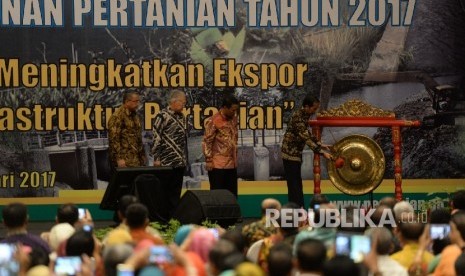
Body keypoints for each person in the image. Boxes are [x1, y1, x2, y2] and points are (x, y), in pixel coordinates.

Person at [281, 94, 332, 208]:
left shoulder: (304, 116)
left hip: (296, 154)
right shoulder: (298, 117)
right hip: (289, 154)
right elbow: (306, 138)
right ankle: (297, 210)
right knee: (294, 185)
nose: (314, 111)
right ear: (307, 106)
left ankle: (299, 209)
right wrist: (322, 152)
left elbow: (307, 133)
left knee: (297, 184)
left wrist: (320, 144)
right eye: (314, 109)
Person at [151, 90, 188, 218]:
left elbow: (184, 140)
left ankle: (173, 217)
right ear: (174, 101)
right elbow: (156, 138)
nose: (184, 105)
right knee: (164, 191)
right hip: (166, 162)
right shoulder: (162, 116)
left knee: (176, 192)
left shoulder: (182, 117)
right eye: (183, 102)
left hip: (179, 161)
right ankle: (162, 217)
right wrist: (157, 158)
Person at [202, 94, 239, 197]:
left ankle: (231, 213)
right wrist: (208, 160)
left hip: (232, 163)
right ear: (225, 107)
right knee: (218, 195)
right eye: (232, 110)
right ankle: (217, 214)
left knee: (232, 195)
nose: (234, 112)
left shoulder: (234, 118)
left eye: (236, 110)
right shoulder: (213, 120)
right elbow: (207, 141)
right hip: (217, 165)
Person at [108, 90, 145, 168]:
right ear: (127, 101)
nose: (138, 104)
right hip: (124, 161)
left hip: (136, 160)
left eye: (138, 101)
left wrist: (142, 157)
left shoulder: (135, 115)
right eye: (135, 101)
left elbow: (138, 137)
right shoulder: (117, 116)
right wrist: (119, 159)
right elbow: (114, 139)